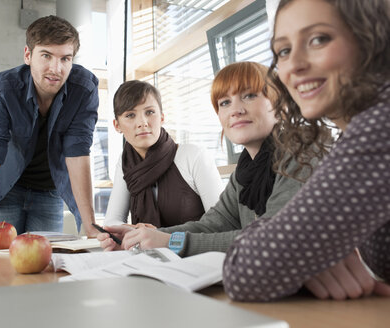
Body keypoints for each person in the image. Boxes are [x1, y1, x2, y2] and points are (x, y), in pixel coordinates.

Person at [223, 0, 390, 302]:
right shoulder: (355, 133)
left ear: (372, 39)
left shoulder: (382, 126)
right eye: (283, 51)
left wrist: (299, 247)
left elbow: (244, 272)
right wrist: (308, 250)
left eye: (318, 39)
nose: (294, 65)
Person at [98, 62, 315, 258]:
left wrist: (170, 241)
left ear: (279, 105)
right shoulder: (246, 170)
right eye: (225, 102)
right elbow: (215, 224)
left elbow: (276, 239)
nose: (236, 110)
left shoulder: (300, 155)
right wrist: (141, 238)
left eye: (249, 95)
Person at [0, 15, 100, 256]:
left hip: (50, 191)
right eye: (46, 55)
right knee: (1, 264)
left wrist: (92, 228)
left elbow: (77, 152)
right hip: (7, 189)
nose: (56, 68)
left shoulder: (84, 88)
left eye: (65, 58)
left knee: (44, 267)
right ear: (28, 55)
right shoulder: (3, 87)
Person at [103, 80, 223, 228]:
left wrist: (158, 236)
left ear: (162, 118)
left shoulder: (193, 156)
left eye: (149, 112)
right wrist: (134, 230)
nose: (142, 122)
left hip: (197, 251)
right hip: (147, 250)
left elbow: (222, 225)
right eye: (130, 115)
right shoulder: (126, 163)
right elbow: (112, 222)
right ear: (117, 125)